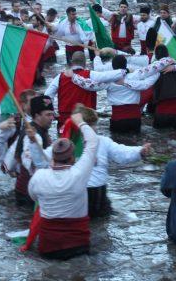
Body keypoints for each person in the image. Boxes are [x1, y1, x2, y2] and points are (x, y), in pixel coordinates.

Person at [27, 112, 99, 260]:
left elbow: (34, 197)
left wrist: (33, 143)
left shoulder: (39, 176)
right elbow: (93, 142)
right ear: (72, 158)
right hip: (77, 245)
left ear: (53, 157)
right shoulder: (79, 173)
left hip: (48, 245)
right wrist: (81, 122)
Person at [44, 51, 125, 129]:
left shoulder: (60, 77)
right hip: (86, 120)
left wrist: (53, 113)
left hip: (65, 119)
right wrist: (126, 71)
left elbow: (47, 95)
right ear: (85, 62)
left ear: (71, 62)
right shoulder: (91, 74)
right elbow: (107, 76)